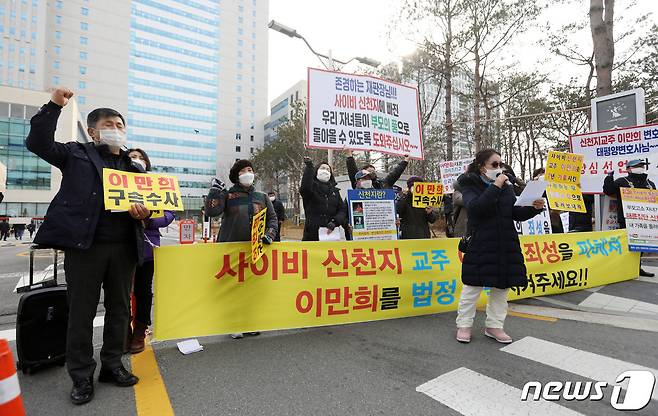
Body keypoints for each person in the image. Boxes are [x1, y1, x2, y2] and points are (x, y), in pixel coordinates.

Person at [26, 88, 147, 405]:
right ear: (93, 131)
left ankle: (111, 365)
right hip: (85, 248)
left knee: (120, 311)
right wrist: (54, 106)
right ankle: (81, 376)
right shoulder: (74, 154)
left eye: (121, 125)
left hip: (123, 249)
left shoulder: (134, 169)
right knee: (80, 313)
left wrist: (144, 212)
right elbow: (37, 143)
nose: (117, 130)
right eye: (110, 124)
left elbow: (148, 207)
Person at [456, 149, 545, 344]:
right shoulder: (469, 183)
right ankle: (464, 325)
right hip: (480, 242)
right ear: (481, 167)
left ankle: (494, 326)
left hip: (505, 242)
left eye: (500, 164)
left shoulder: (507, 186)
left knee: (501, 287)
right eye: (494, 165)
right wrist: (496, 185)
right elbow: (477, 208)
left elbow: (512, 212)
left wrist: (533, 209)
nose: (499, 168)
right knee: (472, 287)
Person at [204, 159, 278, 339]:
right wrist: (215, 192)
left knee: (252, 288)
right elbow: (212, 212)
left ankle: (249, 322)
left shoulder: (262, 197)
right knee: (232, 287)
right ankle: (232, 323)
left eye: (251, 170)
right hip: (230, 248)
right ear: (237, 175)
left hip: (255, 250)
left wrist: (269, 235)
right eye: (244, 170)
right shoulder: (228, 195)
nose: (249, 173)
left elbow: (273, 219)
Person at [125, 148, 175, 354]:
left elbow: (170, 213)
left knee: (143, 291)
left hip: (147, 247)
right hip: (121, 245)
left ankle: (140, 331)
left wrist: (149, 221)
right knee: (119, 293)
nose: (137, 160)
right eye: (132, 157)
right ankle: (121, 331)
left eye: (140, 158)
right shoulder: (115, 182)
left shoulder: (157, 186)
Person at [603, 159, 656, 277]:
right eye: (636, 165)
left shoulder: (650, 184)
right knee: (627, 245)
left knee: (641, 245)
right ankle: (624, 268)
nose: (640, 167)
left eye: (642, 165)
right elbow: (608, 190)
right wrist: (609, 177)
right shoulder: (622, 181)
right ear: (628, 169)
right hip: (627, 220)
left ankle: (637, 268)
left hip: (645, 221)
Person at [299, 157, 346, 241]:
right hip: (312, 234)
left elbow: (342, 210)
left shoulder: (335, 191)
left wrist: (335, 222)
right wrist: (309, 167)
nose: (325, 171)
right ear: (316, 171)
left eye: (328, 169)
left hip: (332, 234)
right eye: (322, 168)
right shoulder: (311, 188)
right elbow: (305, 188)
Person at [345, 149, 410, 190]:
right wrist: (349, 156)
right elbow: (352, 170)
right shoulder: (357, 185)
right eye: (369, 171)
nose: (372, 173)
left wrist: (405, 161)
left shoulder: (383, 184)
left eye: (373, 171)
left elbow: (395, 173)